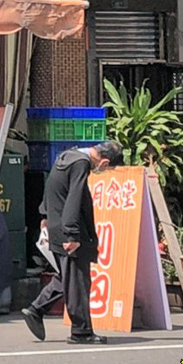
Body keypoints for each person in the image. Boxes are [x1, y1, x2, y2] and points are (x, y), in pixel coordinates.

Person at [21, 140, 123, 345]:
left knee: (68, 277)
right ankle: (81, 331)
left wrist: (45, 215)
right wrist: (72, 235)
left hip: (56, 225)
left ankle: (36, 309)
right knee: (77, 281)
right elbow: (74, 198)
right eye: (107, 167)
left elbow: (51, 187)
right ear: (104, 162)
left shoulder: (68, 155)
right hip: (68, 231)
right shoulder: (81, 164)